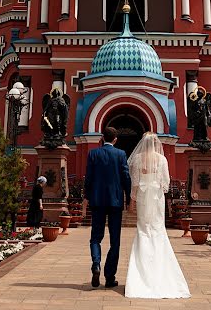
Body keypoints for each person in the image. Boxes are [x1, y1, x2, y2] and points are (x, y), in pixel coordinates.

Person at [125, 132, 190, 299]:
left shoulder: (138, 159)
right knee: (157, 229)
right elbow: (165, 183)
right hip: (156, 196)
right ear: (156, 144)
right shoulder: (162, 159)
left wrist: (131, 202)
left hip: (143, 196)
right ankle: (161, 270)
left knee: (143, 228)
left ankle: (141, 273)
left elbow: (135, 183)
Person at [84, 126, 131, 289]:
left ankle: (96, 264)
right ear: (115, 140)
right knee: (115, 240)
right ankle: (110, 276)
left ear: (102, 138)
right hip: (115, 201)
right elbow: (126, 176)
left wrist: (86, 197)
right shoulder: (121, 154)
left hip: (97, 201)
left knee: (95, 237)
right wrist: (128, 197)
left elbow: (88, 177)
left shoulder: (93, 154)